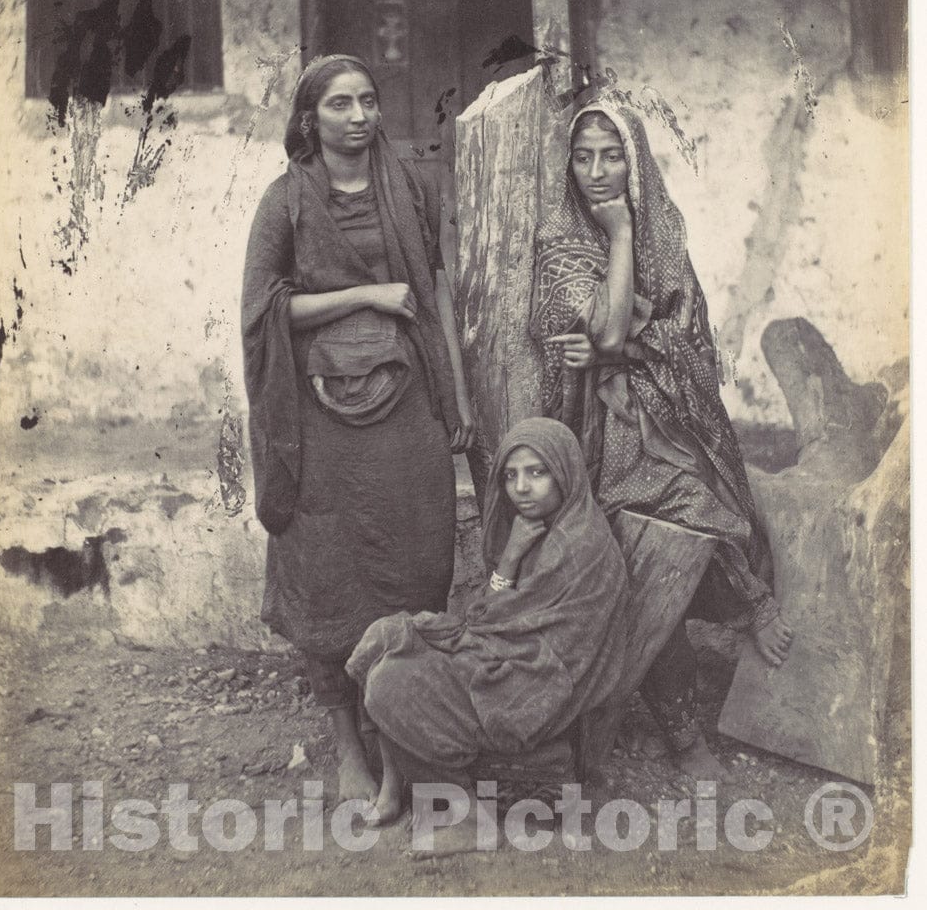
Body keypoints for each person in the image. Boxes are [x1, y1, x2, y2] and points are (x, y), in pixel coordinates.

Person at [531, 94, 793, 781]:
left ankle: (746, 609)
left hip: (668, 414)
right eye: (583, 157)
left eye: (612, 155)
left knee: (694, 503)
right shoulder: (562, 240)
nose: (597, 171)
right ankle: (685, 725)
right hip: (591, 431)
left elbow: (687, 335)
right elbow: (602, 331)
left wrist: (622, 348)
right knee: (644, 543)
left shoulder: (665, 231)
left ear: (635, 159)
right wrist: (617, 240)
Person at [242, 54, 474, 809]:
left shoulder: (407, 187)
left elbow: (433, 293)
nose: (359, 116)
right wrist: (366, 293)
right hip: (316, 424)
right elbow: (262, 311)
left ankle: (404, 741)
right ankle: (350, 748)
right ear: (311, 120)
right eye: (340, 104)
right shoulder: (285, 203)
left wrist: (456, 394)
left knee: (414, 563)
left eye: (369, 101)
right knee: (327, 573)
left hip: (404, 409)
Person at [346, 417, 628, 842]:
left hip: (537, 685)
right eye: (511, 475)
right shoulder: (541, 530)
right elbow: (496, 617)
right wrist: (511, 557)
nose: (522, 487)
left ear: (566, 472)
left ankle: (466, 819)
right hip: (510, 654)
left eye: (537, 472)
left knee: (391, 681)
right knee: (389, 636)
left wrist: (507, 567)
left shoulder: (579, 545)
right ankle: (392, 784)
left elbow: (522, 631)